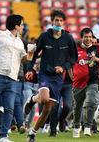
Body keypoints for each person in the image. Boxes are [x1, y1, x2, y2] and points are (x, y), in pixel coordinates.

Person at [24, 10, 78, 142]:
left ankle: (32, 133)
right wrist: (31, 69)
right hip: (44, 74)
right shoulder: (44, 36)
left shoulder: (69, 38)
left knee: (47, 109)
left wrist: (63, 67)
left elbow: (73, 58)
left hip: (58, 78)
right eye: (56, 20)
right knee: (43, 99)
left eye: (60, 20)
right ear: (52, 22)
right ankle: (33, 99)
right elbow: (35, 53)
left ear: (63, 23)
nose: (58, 23)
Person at [72, 28, 99, 138]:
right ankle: (76, 127)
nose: (88, 39)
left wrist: (96, 59)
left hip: (92, 81)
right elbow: (68, 63)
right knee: (77, 107)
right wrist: (71, 76)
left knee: (91, 102)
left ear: (93, 38)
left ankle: (87, 126)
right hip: (78, 83)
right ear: (81, 38)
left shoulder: (97, 48)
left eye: (90, 37)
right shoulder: (75, 49)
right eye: (86, 37)